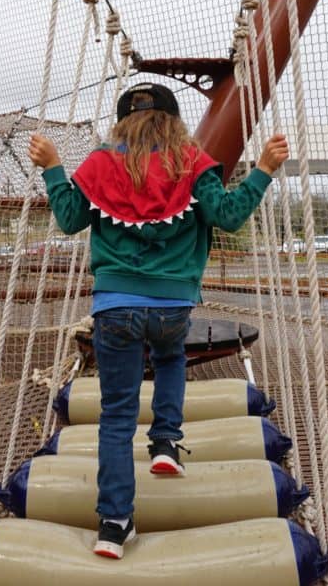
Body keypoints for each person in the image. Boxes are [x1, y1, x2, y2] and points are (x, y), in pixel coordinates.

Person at [28, 82, 289, 559]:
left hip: (116, 307)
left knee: (117, 415)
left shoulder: (100, 165)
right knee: (170, 359)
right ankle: (166, 442)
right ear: (174, 122)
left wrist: (52, 168)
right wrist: (264, 171)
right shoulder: (193, 164)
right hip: (172, 306)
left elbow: (69, 218)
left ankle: (114, 523)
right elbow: (229, 216)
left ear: (122, 123)